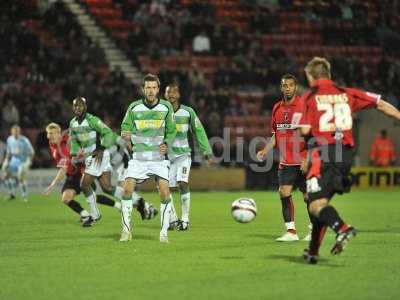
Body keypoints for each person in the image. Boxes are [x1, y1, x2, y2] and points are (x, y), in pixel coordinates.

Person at [299, 57, 400, 264]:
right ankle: (313, 252)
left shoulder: (309, 97)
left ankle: (342, 228)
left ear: (311, 76)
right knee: (321, 203)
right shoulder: (347, 94)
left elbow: (305, 130)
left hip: (324, 153)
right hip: (345, 155)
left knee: (315, 204)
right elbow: (380, 104)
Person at [119, 74, 176, 242]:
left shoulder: (166, 108)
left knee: (165, 193)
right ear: (143, 89)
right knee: (127, 189)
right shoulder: (134, 107)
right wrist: (125, 134)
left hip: (159, 158)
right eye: (148, 88)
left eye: (154, 88)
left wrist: (167, 142)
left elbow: (172, 131)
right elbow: (124, 128)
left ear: (158, 89)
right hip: (138, 158)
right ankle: (126, 231)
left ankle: (164, 233)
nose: (151, 91)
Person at [257, 74, 312, 242]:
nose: (287, 88)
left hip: (303, 159)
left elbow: (312, 135)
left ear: (295, 87)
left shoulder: (304, 106)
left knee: (308, 196)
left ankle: (313, 230)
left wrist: (308, 159)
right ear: (281, 88)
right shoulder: (277, 108)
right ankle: (291, 232)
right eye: (284, 85)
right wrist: (265, 150)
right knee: (284, 192)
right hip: (286, 161)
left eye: (290, 85)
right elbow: (276, 133)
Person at [69, 97, 128, 226]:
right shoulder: (73, 123)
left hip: (98, 155)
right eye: (75, 106)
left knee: (84, 185)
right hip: (91, 156)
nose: (78, 108)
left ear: (85, 107)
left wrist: (101, 147)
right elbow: (74, 140)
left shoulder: (92, 120)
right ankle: (130, 200)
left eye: (80, 105)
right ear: (73, 108)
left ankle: (95, 214)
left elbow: (107, 132)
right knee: (107, 187)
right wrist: (74, 153)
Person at [165, 83, 212, 231]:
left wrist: (206, 151)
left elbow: (199, 131)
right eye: (168, 92)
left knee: (182, 182)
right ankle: (172, 219)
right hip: (166, 157)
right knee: (166, 188)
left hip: (183, 155)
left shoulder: (188, 112)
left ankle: (185, 219)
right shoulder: (160, 113)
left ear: (179, 95)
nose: (171, 94)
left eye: (174, 92)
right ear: (164, 95)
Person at [1, 125, 34, 201]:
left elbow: (31, 152)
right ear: (11, 132)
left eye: (17, 131)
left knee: (20, 177)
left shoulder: (24, 140)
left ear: (19, 132)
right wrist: (6, 161)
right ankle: (11, 194)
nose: (15, 132)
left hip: (23, 161)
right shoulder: (9, 139)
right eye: (14, 131)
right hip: (13, 161)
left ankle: (24, 196)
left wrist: (29, 162)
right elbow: (9, 152)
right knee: (5, 175)